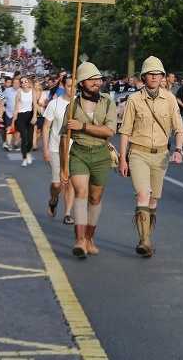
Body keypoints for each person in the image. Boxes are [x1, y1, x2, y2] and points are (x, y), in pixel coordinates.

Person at [119, 56, 183, 258]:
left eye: (158, 74)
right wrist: (123, 158)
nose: (155, 77)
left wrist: (179, 149)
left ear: (163, 77)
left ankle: (148, 236)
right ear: (144, 76)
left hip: (161, 155)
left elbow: (179, 128)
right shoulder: (134, 100)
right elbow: (125, 131)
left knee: (154, 199)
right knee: (143, 195)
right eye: (151, 74)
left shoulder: (170, 99)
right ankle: (144, 240)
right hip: (138, 153)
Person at [61, 62, 117, 259]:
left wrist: (82, 126)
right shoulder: (72, 107)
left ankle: (89, 238)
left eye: (98, 79)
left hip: (101, 155)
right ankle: (79, 240)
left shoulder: (108, 102)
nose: (97, 82)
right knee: (81, 193)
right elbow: (64, 137)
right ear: (82, 82)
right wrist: (62, 167)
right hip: (79, 153)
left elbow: (110, 130)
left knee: (95, 198)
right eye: (92, 79)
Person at [41, 74, 74, 225]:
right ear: (63, 86)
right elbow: (46, 127)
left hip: (74, 150)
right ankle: (53, 199)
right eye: (68, 86)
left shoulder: (79, 104)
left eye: (74, 86)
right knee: (57, 184)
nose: (72, 89)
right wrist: (45, 149)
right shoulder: (54, 104)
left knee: (69, 183)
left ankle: (67, 213)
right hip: (55, 148)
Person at [14, 76, 38, 167]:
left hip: (30, 115)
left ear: (29, 83)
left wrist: (35, 115)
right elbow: (16, 108)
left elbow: (35, 104)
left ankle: (28, 152)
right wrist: (13, 122)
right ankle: (24, 158)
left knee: (30, 140)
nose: (24, 83)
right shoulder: (19, 94)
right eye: (22, 82)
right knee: (24, 137)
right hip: (20, 116)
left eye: (26, 81)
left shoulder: (33, 92)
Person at [1, 76, 20, 151]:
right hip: (9, 112)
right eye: (14, 83)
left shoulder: (21, 91)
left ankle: (15, 144)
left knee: (17, 129)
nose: (16, 84)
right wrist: (2, 107)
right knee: (8, 128)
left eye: (17, 83)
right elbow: (1, 98)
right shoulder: (7, 90)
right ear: (12, 83)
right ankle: (8, 144)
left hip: (19, 113)